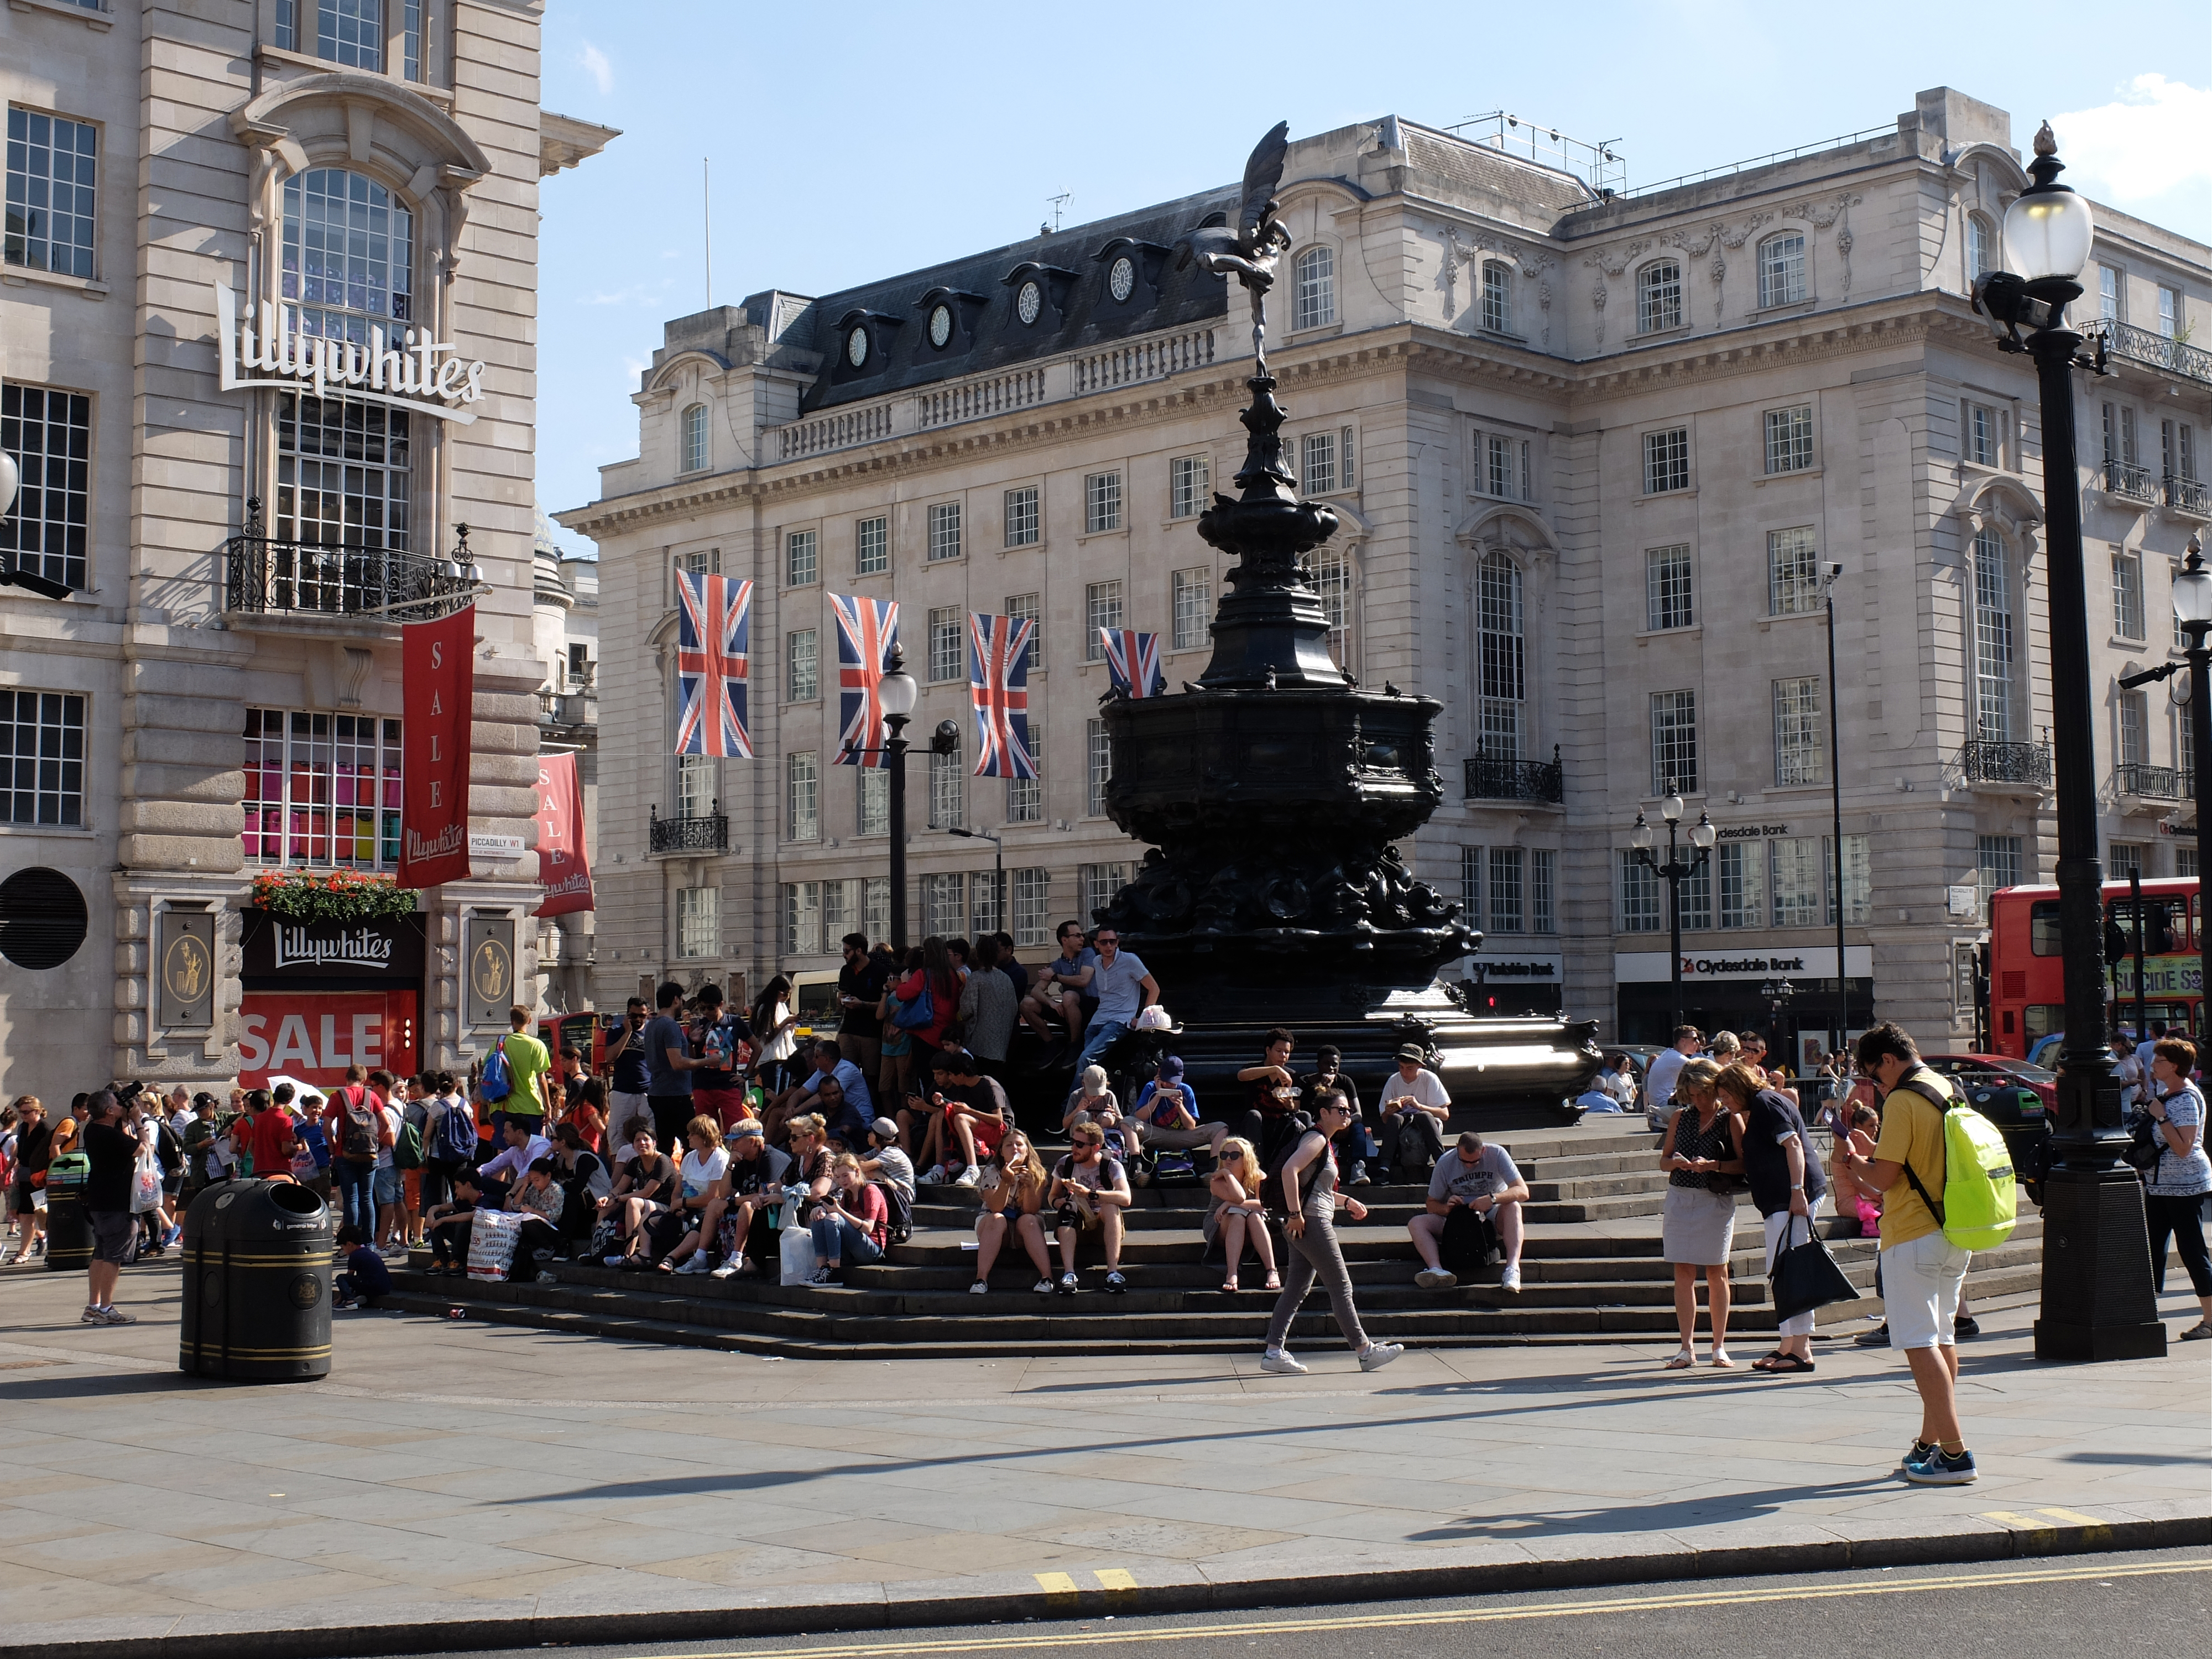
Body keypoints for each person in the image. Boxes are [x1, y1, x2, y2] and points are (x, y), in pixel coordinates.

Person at [1836, 1022, 1979, 1484]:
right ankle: (1930, 1445)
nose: (1877, 1085)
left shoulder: (1901, 1099)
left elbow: (1884, 1179)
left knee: (1919, 1343)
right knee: (1942, 1339)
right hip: (1952, 1227)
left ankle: (1956, 1455)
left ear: (1891, 1060)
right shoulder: (1944, 1087)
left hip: (1913, 1231)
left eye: (1876, 1074)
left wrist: (1854, 1161)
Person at [1261, 1089, 1400, 1374]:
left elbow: (1317, 1188)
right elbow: (1290, 1171)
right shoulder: (1316, 1138)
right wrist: (1295, 1214)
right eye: (1341, 1110)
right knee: (1341, 1286)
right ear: (1323, 1113)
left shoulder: (1322, 1142)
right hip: (1311, 1222)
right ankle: (1364, 1351)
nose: (1347, 1115)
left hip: (1307, 1219)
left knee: (1297, 1289)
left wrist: (1347, 1201)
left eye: (1349, 1110)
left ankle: (1274, 1351)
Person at [1715, 1061, 1828, 1375]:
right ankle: (1788, 1343)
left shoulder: (1766, 1103)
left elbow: (1792, 1143)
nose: (1725, 1102)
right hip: (1780, 1199)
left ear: (1738, 1087)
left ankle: (1801, 1349)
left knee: (1791, 1270)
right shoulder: (1762, 1104)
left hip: (1790, 1197)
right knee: (1781, 1269)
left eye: (1726, 1095)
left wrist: (1797, 1191)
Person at [1659, 1057, 1744, 1370]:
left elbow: (1743, 1164)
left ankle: (1719, 1346)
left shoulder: (1730, 1119)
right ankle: (1686, 1348)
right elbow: (1663, 1161)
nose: (1697, 1100)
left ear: (1715, 1089)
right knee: (1683, 1271)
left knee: (1716, 1271)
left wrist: (1714, 1166)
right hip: (1681, 1196)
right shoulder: (1680, 1118)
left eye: (1702, 1094)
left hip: (1713, 1198)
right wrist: (1678, 1162)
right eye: (1692, 1095)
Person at [2142, 1036, 2212, 1340]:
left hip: (2184, 1184)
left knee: (2192, 1249)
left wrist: (2161, 1116)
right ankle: (2144, 1312)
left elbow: (2184, 1147)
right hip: (2160, 1185)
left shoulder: (2184, 1099)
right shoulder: (2169, 1095)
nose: (2152, 1065)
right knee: (2152, 1247)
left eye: (2158, 1061)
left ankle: (2210, 1319)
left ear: (2173, 1066)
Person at [1409, 1131, 1530, 1292]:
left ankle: (1512, 1269)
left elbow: (1523, 1191)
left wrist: (1493, 1199)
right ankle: (1436, 1269)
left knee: (1514, 1207)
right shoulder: (1445, 1162)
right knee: (1416, 1223)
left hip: (1492, 1214)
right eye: (1464, 1161)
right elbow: (1431, 1205)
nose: (1469, 1166)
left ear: (1483, 1151)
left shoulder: (1498, 1153)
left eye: (1475, 1162)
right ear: (1457, 1149)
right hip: (1459, 1219)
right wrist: (1447, 1208)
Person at [77, 1090, 142, 1326]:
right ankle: (106, 1308)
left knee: (101, 1254)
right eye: (116, 1104)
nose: (120, 1106)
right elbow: (143, 1150)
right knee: (113, 1257)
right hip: (117, 1202)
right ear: (109, 1111)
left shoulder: (92, 1130)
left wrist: (124, 1120)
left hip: (99, 1200)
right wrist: (137, 1120)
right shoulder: (109, 1134)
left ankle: (94, 1306)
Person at [1047, 1119, 1133, 1294]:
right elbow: (1052, 1196)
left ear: (1095, 1147)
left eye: (1079, 1145)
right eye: (1073, 1142)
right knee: (1068, 1208)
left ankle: (1113, 1273)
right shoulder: (1066, 1163)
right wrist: (1058, 1203)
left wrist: (1090, 1194)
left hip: (1102, 1226)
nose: (1074, 1149)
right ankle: (1069, 1274)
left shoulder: (1111, 1165)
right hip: (1077, 1225)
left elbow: (1126, 1198)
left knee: (1111, 1207)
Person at [971, 1127, 1053, 1294]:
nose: (1015, 1149)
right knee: (997, 1218)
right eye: (1009, 1145)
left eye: (1019, 1145)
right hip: (995, 1227)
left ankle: (1047, 1277)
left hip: (1024, 1228)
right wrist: (1006, 1182)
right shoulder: (992, 1171)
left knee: (1028, 1220)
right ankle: (981, 1279)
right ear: (1001, 1151)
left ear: (1027, 1150)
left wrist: (1030, 1186)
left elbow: (1031, 1210)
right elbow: (995, 1207)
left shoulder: (1036, 1173)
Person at [1072, 926, 1157, 1079]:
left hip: (1118, 1021)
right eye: (1104, 942)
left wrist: (1143, 1018)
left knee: (1086, 1059)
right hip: (1097, 1021)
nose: (1109, 946)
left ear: (1117, 943)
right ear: (1096, 944)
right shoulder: (1096, 962)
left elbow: (1154, 989)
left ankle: (1073, 1102)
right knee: (1091, 1068)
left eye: (1112, 942)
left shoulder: (1130, 960)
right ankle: (1093, 1099)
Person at [917, 1050, 1009, 1187]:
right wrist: (943, 1103)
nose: (950, 1079)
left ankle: (973, 1168)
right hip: (978, 1126)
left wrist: (969, 1111)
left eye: (951, 1075)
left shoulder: (988, 1085)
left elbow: (998, 1120)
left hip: (1001, 1131)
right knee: (943, 1114)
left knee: (961, 1119)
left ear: (960, 1075)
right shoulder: (962, 1087)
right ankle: (940, 1168)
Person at [1206, 1136, 1278, 1294]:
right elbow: (1240, 1197)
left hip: (1251, 1226)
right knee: (1238, 1215)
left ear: (1247, 1157)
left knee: (1253, 1215)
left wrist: (1229, 1204)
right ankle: (1232, 1273)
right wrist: (1227, 1173)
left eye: (1234, 1155)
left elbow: (1264, 1204)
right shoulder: (1217, 1179)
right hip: (1219, 1226)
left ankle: (1272, 1270)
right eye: (1224, 1155)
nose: (1228, 1160)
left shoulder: (1259, 1177)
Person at [1130, 1055, 1230, 1167]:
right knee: (1128, 1122)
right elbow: (1139, 1117)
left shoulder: (1186, 1090)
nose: (1169, 1085)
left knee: (1221, 1127)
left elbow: (1191, 1126)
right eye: (1166, 1081)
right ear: (1159, 1073)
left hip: (1182, 1136)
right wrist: (1158, 1095)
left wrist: (1180, 1107)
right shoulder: (1151, 1088)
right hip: (1156, 1134)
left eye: (1172, 1082)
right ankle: (1136, 1168)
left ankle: (1214, 1170)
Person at [657, 1117, 728, 1274]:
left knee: (699, 1224)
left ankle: (671, 1258)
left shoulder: (720, 1159)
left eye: (692, 1134)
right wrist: (677, 1205)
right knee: (658, 1222)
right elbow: (677, 1190)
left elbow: (712, 1196)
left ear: (704, 1137)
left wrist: (683, 1203)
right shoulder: (689, 1157)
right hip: (686, 1207)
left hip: (708, 1211)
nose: (688, 1137)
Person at [602, 1126, 678, 1269]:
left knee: (634, 1202)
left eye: (646, 1139)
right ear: (633, 1146)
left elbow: (647, 1193)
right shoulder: (635, 1162)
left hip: (666, 1206)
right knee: (606, 1205)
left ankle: (628, 1254)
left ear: (654, 1143)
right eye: (638, 1140)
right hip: (648, 1204)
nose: (642, 1143)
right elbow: (620, 1188)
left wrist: (619, 1198)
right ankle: (598, 1249)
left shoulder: (663, 1161)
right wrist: (608, 1197)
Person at [770, 1039, 874, 1145]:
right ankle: (768, 1149)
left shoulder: (847, 1070)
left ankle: (770, 1150)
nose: (814, 1060)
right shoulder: (821, 1071)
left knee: (798, 1120)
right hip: (834, 1115)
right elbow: (799, 1093)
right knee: (780, 1114)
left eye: (816, 1056)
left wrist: (796, 1112)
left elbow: (821, 1097)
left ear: (826, 1059)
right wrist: (790, 1111)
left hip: (857, 1121)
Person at [806, 1152, 888, 1284]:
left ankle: (834, 1272)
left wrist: (838, 1211)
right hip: (852, 1249)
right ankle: (822, 1268)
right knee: (819, 1217)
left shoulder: (870, 1191)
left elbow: (868, 1228)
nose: (842, 1181)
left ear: (856, 1172)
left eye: (846, 1176)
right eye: (838, 1177)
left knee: (833, 1218)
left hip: (871, 1249)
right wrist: (822, 1210)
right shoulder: (848, 1194)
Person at [1301, 1045, 1375, 1186]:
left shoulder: (1345, 1082)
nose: (1330, 1069)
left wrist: (1346, 1122)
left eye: (1334, 1065)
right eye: (1326, 1064)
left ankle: (1358, 1168)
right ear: (1318, 1065)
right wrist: (1322, 1089)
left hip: (1342, 1129)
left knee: (1358, 1127)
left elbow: (1358, 1114)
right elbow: (1309, 1112)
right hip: (1318, 1129)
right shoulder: (1306, 1083)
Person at [644, 980, 705, 1152]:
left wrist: (689, 1042)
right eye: (682, 999)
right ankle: (686, 1178)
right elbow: (677, 1063)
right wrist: (708, 1062)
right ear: (676, 999)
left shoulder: (652, 1025)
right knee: (692, 1143)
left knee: (664, 1146)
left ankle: (666, 1177)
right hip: (675, 1094)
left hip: (658, 1092)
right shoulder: (669, 1025)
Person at [1377, 1044, 1451, 1182]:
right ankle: (1384, 1168)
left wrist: (1419, 1106)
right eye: (1401, 1067)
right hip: (1403, 1124)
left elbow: (1445, 1114)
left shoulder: (1429, 1079)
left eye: (1409, 1068)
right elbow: (1385, 1119)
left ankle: (1441, 1162)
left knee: (1424, 1116)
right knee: (1395, 1119)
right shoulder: (1394, 1080)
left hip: (1427, 1123)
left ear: (1419, 1066)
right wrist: (1389, 1111)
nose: (1404, 1073)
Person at [1019, 920, 1095, 1053]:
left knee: (1068, 996)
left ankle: (1075, 1045)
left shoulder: (1088, 953)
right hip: (1068, 1009)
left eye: (1082, 935)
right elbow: (1036, 990)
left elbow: (1084, 980)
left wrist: (1055, 977)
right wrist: (1051, 1003)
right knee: (1027, 1004)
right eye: (1077, 936)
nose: (1082, 939)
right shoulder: (1058, 964)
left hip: (1091, 1008)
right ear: (1064, 940)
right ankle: (1051, 1044)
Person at [482, 1005, 555, 1137]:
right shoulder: (537, 1045)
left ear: (512, 1022)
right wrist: (548, 1107)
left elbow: (488, 1076)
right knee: (530, 1152)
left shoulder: (499, 1043)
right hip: (530, 1107)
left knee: (504, 1152)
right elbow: (541, 1078)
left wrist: (489, 1106)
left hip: (502, 1106)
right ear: (530, 1021)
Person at [957, 934, 1019, 1086]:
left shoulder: (976, 979)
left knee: (980, 1086)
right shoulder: (1006, 979)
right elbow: (1014, 1008)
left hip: (979, 1044)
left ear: (978, 954)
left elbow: (966, 1010)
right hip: (1002, 1044)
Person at [688, 983, 753, 1130]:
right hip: (703, 1085)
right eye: (702, 1008)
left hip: (728, 1084)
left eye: (710, 1008)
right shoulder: (700, 1024)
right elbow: (691, 1059)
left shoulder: (734, 1021)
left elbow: (757, 1048)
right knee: (706, 1133)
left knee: (736, 1131)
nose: (706, 1012)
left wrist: (746, 1075)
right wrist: (691, 1041)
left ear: (721, 1005)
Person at [1233, 1028, 1301, 1164]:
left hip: (1280, 1124)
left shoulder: (1292, 1076)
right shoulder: (1255, 1069)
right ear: (1268, 1050)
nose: (1283, 1056)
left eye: (1287, 1052)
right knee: (1254, 1115)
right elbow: (1241, 1076)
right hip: (1257, 1124)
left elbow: (1296, 1108)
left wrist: (1289, 1104)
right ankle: (1258, 1167)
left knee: (1303, 1117)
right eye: (1279, 1051)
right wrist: (1275, 1069)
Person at [835, 933, 888, 1088]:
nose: (844, 955)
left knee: (871, 1077)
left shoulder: (879, 971)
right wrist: (841, 1000)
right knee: (845, 1074)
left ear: (859, 951)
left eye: (847, 951)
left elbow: (885, 1004)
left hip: (870, 1032)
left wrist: (863, 1004)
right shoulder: (846, 970)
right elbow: (840, 1000)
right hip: (848, 1029)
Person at [7, 1097, 52, 1264]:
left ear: (37, 1111)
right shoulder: (23, 1127)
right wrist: (15, 1169)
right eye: (21, 1112)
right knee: (24, 1215)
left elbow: (48, 1154)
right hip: (25, 1174)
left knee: (40, 1214)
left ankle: (30, 1249)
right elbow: (21, 1151)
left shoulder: (44, 1129)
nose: (23, 1115)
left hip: (39, 1176)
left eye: (26, 1112)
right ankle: (25, 1250)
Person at [603, 998, 653, 1147]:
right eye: (634, 1016)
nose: (638, 1019)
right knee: (617, 1133)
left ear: (648, 1014)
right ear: (627, 1014)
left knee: (650, 1132)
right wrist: (628, 1032)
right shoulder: (616, 1031)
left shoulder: (652, 1030)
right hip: (623, 1090)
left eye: (642, 1016)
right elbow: (610, 1057)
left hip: (648, 1089)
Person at [858, 1118, 915, 1244]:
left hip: (902, 1195)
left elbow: (861, 1167)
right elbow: (859, 1158)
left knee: (872, 1173)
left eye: (871, 1132)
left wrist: (854, 1163)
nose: (868, 1135)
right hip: (891, 1189)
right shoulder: (878, 1150)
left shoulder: (892, 1152)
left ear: (879, 1136)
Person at [475, 1118, 552, 1209]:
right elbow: (492, 1166)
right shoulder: (514, 1150)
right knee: (481, 1182)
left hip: (540, 1193)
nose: (504, 1136)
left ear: (519, 1132)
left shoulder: (541, 1145)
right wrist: (473, 1175)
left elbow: (529, 1171)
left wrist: (510, 1194)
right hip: (521, 1192)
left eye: (507, 1132)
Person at [750, 974, 803, 1095]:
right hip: (771, 1058)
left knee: (782, 1097)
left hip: (786, 1056)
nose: (787, 997)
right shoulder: (765, 1008)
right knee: (771, 1096)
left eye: (789, 994)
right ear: (777, 992)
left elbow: (786, 1034)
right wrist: (785, 1022)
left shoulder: (783, 1006)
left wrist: (792, 1023)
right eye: (785, 994)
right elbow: (767, 1036)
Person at [422, 1170, 483, 1276]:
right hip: (460, 1238)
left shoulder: (485, 1200)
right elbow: (439, 1207)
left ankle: (458, 1261)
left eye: (458, 1187)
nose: (456, 1192)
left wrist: (442, 1220)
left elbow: (470, 1215)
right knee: (437, 1217)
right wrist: (431, 1213)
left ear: (468, 1185)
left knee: (463, 1223)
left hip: (475, 1242)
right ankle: (442, 1259)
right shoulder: (464, 1201)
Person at [1645, 1025, 1702, 1131]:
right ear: (1683, 1040)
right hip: (1665, 1107)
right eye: (1694, 1039)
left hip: (1660, 1106)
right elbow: (1705, 1071)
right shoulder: (1677, 1059)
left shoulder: (1668, 1054)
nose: (1698, 1042)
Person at [332, 1223, 394, 1310]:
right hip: (385, 1287)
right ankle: (361, 1299)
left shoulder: (355, 1255)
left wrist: (340, 1299)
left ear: (349, 1244)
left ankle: (350, 1302)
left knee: (341, 1278)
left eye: (343, 1247)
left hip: (373, 1286)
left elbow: (349, 1278)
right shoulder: (366, 1251)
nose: (344, 1251)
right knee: (360, 1281)